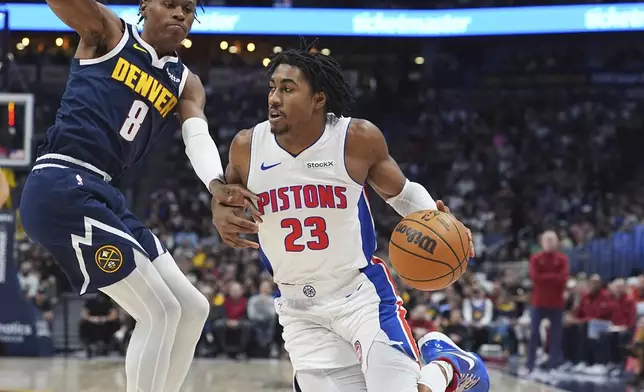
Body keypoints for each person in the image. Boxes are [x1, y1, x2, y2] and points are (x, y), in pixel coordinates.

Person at [216, 42, 490, 392]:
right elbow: (224, 195)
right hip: (298, 308)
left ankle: (446, 364)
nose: (274, 98)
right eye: (272, 88)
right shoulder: (246, 146)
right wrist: (217, 211)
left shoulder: (355, 139)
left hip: (360, 296)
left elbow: (402, 193)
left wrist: (437, 222)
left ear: (318, 98)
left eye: (287, 89)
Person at [18, 1, 258, 391]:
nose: (181, 13)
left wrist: (216, 185)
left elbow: (196, 137)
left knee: (193, 309)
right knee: (160, 312)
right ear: (145, 5)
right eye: (170, 4)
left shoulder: (186, 82)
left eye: (189, 8)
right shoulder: (109, 33)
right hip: (61, 180)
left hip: (104, 192)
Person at [524, 230, 569, 374]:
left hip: (556, 303)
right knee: (533, 334)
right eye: (547, 240)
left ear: (557, 242)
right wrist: (553, 278)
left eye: (552, 240)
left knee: (556, 335)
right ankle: (529, 365)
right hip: (538, 302)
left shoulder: (562, 259)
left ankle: (553, 366)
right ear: (542, 242)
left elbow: (563, 278)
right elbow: (534, 277)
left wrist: (546, 278)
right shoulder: (535, 258)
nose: (549, 243)